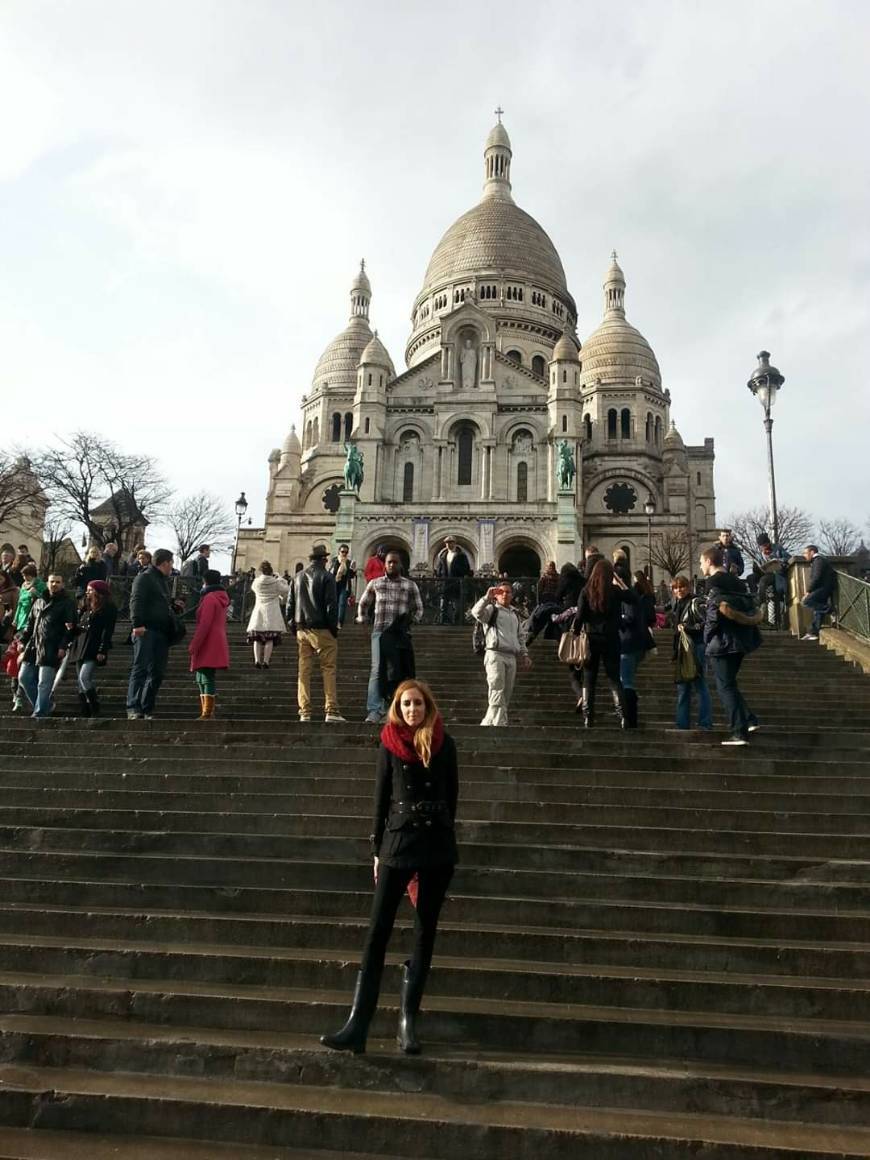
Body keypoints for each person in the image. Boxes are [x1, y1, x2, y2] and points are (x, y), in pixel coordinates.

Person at [320, 680, 458, 1056]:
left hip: (435, 848)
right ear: (398, 707)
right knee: (377, 932)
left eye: (418, 704)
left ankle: (407, 1023)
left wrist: (444, 835)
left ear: (427, 706)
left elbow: (452, 796)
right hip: (397, 844)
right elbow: (381, 799)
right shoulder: (389, 744)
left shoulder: (445, 744)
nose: (413, 710)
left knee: (423, 932)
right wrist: (377, 850)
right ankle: (357, 1023)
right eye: (406, 704)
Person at [700, 545, 762, 745]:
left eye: (701, 562)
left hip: (723, 642)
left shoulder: (713, 582)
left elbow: (713, 613)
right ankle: (750, 719)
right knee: (730, 684)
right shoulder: (736, 581)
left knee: (724, 687)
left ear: (709, 561)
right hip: (741, 640)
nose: (700, 566)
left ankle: (739, 732)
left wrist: (706, 637)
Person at [357, 551, 424, 723]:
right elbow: (364, 602)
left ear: (400, 564)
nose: (392, 565)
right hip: (380, 631)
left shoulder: (409, 585)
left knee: (399, 671)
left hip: (400, 634)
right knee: (377, 669)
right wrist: (362, 617)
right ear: (384, 564)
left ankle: (394, 710)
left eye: (395, 562)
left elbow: (419, 607)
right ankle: (375, 709)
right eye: (389, 562)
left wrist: (411, 621)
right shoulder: (376, 583)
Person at [570, 560, 637, 729]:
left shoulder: (586, 591)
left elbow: (579, 618)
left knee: (589, 679)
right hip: (612, 639)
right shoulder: (614, 591)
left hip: (591, 639)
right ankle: (623, 717)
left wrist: (575, 634)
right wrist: (620, 582)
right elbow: (633, 598)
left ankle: (588, 718)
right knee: (614, 679)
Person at [286, 544, 344, 723]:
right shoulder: (327, 577)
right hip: (322, 628)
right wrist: (333, 628)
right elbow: (331, 606)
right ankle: (331, 709)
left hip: (302, 629)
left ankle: (304, 711)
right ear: (324, 560)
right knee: (328, 669)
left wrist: (293, 626)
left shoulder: (297, 577)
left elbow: (289, 605)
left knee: (303, 671)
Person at [127, 548, 181, 720]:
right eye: (171, 563)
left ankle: (146, 707)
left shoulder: (161, 581)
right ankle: (134, 707)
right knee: (140, 668)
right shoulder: (145, 577)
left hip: (161, 632)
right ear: (165, 563)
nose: (172, 567)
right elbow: (136, 600)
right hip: (146, 630)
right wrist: (137, 624)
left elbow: (158, 602)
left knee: (157, 672)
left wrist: (173, 605)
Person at [17, 574, 77, 719]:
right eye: (52, 582)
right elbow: (30, 624)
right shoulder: (38, 601)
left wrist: (63, 646)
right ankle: (46, 705)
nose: (54, 584)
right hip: (33, 645)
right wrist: (22, 641)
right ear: (47, 583)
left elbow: (70, 628)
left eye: (58, 582)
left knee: (44, 682)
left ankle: (40, 713)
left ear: (62, 584)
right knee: (24, 677)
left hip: (52, 645)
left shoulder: (67, 603)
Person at [471, 583, 531, 726]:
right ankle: (500, 723)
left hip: (511, 656)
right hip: (495, 654)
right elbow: (476, 612)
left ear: (512, 595)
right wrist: (486, 598)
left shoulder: (515, 614)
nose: (505, 594)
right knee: (497, 689)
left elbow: (520, 636)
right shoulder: (491, 610)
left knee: (506, 693)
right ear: (496, 595)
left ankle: (487, 722)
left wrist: (525, 654)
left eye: (508, 592)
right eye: (502, 592)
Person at [68, 579, 117, 716]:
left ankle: (94, 704)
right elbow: (81, 626)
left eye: (90, 590)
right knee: (80, 680)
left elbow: (107, 631)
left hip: (93, 646)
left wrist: (102, 649)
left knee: (84, 677)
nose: (87, 592)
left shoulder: (108, 608)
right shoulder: (85, 606)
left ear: (98, 592)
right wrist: (73, 628)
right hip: (80, 645)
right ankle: (85, 709)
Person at [670, 574, 712, 731]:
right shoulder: (678, 605)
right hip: (683, 649)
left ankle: (705, 723)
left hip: (696, 647)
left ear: (688, 587)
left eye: (682, 587)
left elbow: (704, 624)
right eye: (675, 588)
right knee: (683, 688)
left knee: (699, 685)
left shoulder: (695, 602)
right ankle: (682, 724)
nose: (679, 590)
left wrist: (687, 628)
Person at [188, 569, 230, 719]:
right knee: (202, 675)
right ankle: (206, 711)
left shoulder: (209, 598)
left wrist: (194, 643)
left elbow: (205, 624)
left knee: (205, 675)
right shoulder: (219, 597)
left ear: (205, 581)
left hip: (208, 640)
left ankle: (207, 712)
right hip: (216, 638)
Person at [618, 570, 656, 729]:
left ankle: (630, 718)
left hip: (628, 643)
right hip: (638, 643)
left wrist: (618, 619)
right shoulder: (638, 596)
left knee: (626, 682)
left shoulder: (629, 596)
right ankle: (629, 715)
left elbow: (630, 617)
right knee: (628, 680)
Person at [246, 561, 289, 668]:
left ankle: (257, 660)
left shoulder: (256, 582)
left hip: (259, 612)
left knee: (257, 638)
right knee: (270, 639)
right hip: (272, 612)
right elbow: (286, 590)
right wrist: (280, 578)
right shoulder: (276, 582)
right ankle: (266, 661)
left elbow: (253, 588)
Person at [801, 544, 836, 641]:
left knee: (806, 601)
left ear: (812, 552)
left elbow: (817, 577)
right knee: (817, 610)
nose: (804, 555)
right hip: (823, 587)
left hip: (824, 588)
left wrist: (809, 591)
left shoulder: (818, 560)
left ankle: (830, 610)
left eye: (805, 553)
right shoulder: (818, 561)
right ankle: (814, 632)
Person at [753, 534, 789, 626]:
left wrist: (778, 559)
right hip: (766, 574)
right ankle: (761, 602)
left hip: (777, 574)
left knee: (778, 595)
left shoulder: (777, 548)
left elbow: (788, 558)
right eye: (761, 546)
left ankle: (778, 620)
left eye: (765, 545)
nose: (763, 548)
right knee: (760, 581)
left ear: (768, 543)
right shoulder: (759, 553)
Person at [434, 536, 472, 625]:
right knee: (444, 603)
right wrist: (439, 577)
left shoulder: (461, 555)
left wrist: (459, 571)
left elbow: (466, 568)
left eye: (451, 542)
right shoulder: (442, 555)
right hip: (445, 582)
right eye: (447, 543)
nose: (449, 544)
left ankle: (457, 620)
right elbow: (439, 568)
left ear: (455, 543)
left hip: (457, 582)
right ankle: (443, 620)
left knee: (457, 603)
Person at [329, 544, 357, 627]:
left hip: (344, 586)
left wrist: (353, 570)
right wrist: (338, 563)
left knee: (342, 603)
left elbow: (351, 576)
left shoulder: (348, 562)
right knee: (334, 603)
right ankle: (333, 621)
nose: (344, 554)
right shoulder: (335, 560)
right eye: (342, 552)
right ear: (339, 552)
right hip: (334, 585)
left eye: (346, 552)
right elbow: (332, 573)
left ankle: (339, 622)